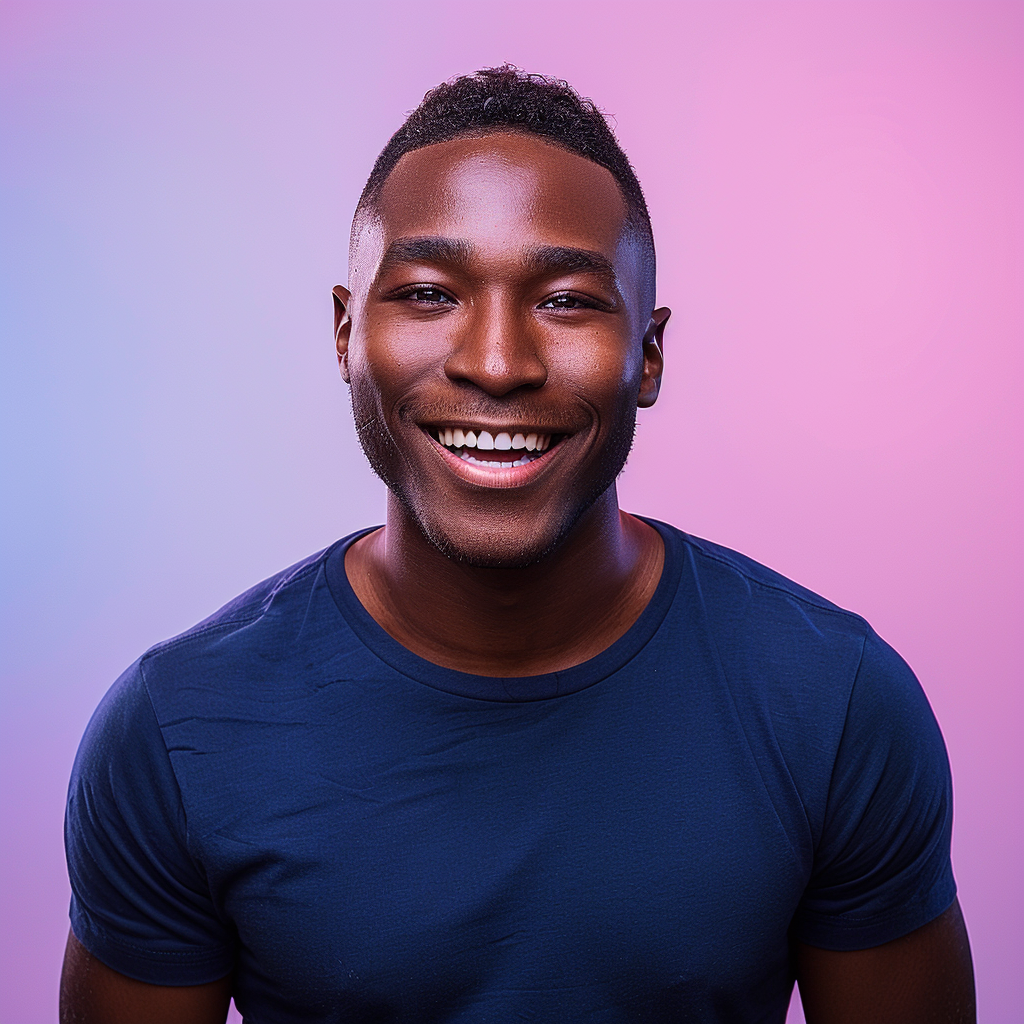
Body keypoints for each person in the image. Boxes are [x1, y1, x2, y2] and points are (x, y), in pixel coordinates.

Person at [61, 67, 975, 1024]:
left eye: (568, 301)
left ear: (649, 356)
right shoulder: (176, 732)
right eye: (426, 293)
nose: (496, 364)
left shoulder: (835, 706)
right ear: (344, 334)